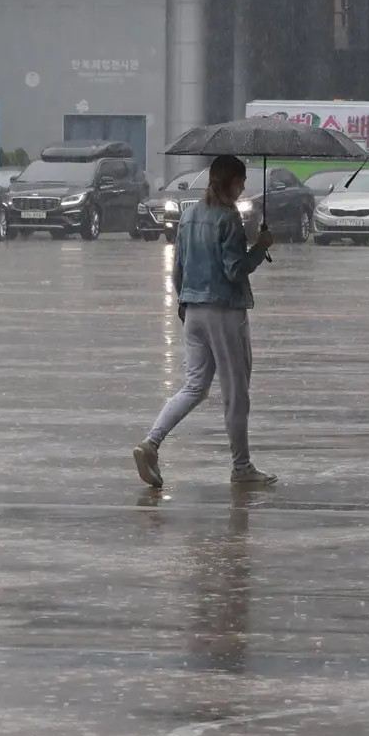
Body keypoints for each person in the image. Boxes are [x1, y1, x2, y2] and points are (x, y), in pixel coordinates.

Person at [133, 155, 277, 488]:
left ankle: (151, 443)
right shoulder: (228, 217)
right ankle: (242, 467)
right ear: (231, 183)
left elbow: (178, 268)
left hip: (193, 311)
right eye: (241, 182)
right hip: (225, 312)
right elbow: (234, 270)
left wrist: (185, 304)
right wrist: (260, 247)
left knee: (195, 386)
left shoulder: (190, 215)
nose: (243, 188)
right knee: (236, 394)